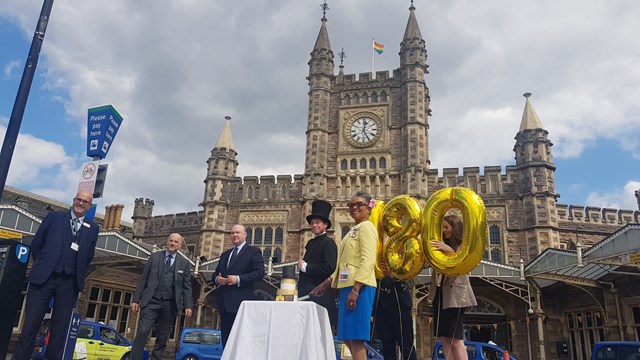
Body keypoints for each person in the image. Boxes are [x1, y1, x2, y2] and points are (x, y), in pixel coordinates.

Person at [12, 190, 100, 360]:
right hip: (44, 278)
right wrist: (45, 264)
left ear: (90, 206)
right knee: (30, 326)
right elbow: (37, 244)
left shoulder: (93, 228)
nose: (81, 203)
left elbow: (88, 255)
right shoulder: (54, 218)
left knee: (59, 332)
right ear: (73, 200)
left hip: (69, 283)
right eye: (78, 199)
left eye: (85, 201)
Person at [311, 191, 378, 360]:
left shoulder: (368, 228)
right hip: (346, 286)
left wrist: (356, 289)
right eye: (351, 204)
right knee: (347, 338)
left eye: (359, 204)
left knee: (356, 338)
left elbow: (368, 260)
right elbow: (344, 264)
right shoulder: (353, 230)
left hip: (360, 287)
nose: (354, 207)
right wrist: (326, 283)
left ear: (369, 208)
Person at [130, 233, 193, 360]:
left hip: (170, 304)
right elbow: (143, 279)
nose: (172, 243)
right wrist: (136, 299)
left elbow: (186, 287)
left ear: (180, 245)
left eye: (176, 242)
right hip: (151, 301)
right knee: (142, 331)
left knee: (163, 336)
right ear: (167, 241)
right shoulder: (154, 257)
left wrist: (188, 305)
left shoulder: (184, 263)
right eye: (171, 241)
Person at [428, 214, 477, 360]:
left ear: (454, 227)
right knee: (444, 338)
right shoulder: (441, 245)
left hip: (456, 295)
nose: (444, 231)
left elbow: (464, 265)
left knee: (456, 339)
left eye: (446, 227)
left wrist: (448, 250)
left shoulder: (463, 245)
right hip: (439, 294)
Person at [214, 224, 264, 347]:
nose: (234, 235)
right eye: (232, 233)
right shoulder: (225, 254)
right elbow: (216, 272)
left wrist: (238, 279)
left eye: (237, 232)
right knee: (226, 344)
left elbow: (260, 273)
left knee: (240, 343)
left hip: (241, 305)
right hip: (225, 306)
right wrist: (217, 279)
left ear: (245, 235)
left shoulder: (253, 251)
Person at [298, 199, 338, 327]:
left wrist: (306, 267)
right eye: (312, 223)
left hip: (320, 295)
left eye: (317, 222)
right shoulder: (311, 243)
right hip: (306, 294)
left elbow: (330, 267)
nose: (314, 225)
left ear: (325, 225)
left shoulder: (328, 243)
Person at [374, 262, 417, 360]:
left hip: (400, 304)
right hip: (381, 305)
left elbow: (411, 267)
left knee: (406, 346)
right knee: (387, 347)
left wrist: (395, 273)